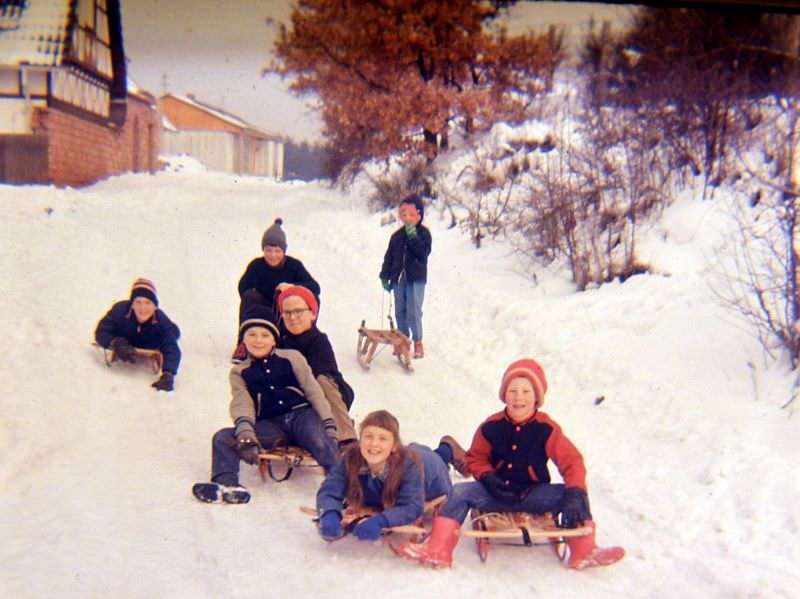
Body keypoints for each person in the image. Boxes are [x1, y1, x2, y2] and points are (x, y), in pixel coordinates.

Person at [395, 359, 625, 570]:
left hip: (533, 494)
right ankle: (438, 549)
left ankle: (584, 550)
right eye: (512, 391)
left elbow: (572, 461)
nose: (519, 397)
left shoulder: (547, 429)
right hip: (495, 492)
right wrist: (487, 477)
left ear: (537, 397)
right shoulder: (491, 426)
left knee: (575, 491)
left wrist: (574, 492)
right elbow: (475, 457)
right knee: (460, 491)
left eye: (526, 391)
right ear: (505, 396)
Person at [192, 305, 339, 504]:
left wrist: (328, 422)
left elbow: (313, 391)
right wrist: (246, 433)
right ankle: (226, 483)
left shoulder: (292, 358)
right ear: (243, 340)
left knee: (319, 440)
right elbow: (242, 402)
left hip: (302, 416)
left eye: (264, 335)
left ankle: (343, 486)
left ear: (274, 339)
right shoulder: (240, 371)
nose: (258, 340)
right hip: (271, 425)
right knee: (223, 437)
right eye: (251, 334)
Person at [315, 410, 452, 542]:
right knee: (412, 451)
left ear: (394, 446)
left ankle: (448, 447)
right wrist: (329, 513)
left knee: (439, 457)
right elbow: (330, 489)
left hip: (431, 471)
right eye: (368, 436)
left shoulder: (409, 467)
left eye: (382, 438)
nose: (374, 443)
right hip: (403, 453)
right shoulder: (350, 459)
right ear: (360, 440)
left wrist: (381, 521)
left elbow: (412, 506)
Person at [276, 285, 357, 448]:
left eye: (298, 311)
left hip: (328, 396)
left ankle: (346, 437)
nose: (292, 317)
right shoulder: (278, 340)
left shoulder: (318, 341)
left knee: (322, 381)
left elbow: (322, 376)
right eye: (287, 313)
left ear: (312, 314)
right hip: (294, 400)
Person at [233, 218, 320, 360]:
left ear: (283, 251)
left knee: (313, 299)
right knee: (249, 296)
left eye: (277, 251)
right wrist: (258, 300)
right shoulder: (256, 265)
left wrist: (292, 288)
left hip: (286, 308)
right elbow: (243, 287)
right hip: (265, 307)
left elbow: (315, 287)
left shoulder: (294, 265)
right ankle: (243, 344)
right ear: (263, 250)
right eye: (268, 250)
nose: (273, 255)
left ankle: (306, 342)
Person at [94, 277, 180, 392]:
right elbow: (101, 331)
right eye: (138, 302)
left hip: (150, 342)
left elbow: (171, 348)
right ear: (132, 304)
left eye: (148, 303)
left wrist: (168, 374)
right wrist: (115, 342)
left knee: (172, 333)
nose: (143, 308)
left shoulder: (160, 321)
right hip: (127, 338)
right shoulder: (120, 311)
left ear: (155, 306)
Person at [379, 194, 432, 360]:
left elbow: (423, 254)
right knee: (400, 310)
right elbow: (389, 257)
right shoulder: (396, 236)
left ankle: (417, 341)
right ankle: (403, 340)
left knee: (413, 311)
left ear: (419, 215)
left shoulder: (424, 234)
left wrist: (413, 236)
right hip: (398, 278)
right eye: (404, 215)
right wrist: (385, 275)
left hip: (415, 278)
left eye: (411, 215)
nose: (407, 219)